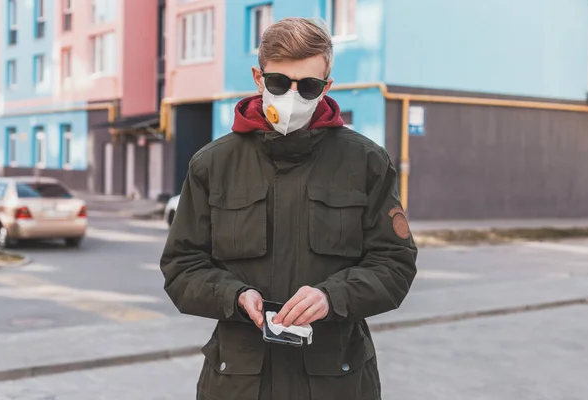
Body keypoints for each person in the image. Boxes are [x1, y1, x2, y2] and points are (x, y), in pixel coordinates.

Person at [160, 17, 418, 400]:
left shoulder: (366, 162)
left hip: (338, 382)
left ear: (327, 86)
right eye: (279, 82)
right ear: (258, 77)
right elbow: (182, 267)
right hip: (239, 382)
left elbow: (395, 264)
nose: (292, 97)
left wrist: (333, 296)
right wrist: (233, 295)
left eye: (309, 86)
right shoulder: (212, 165)